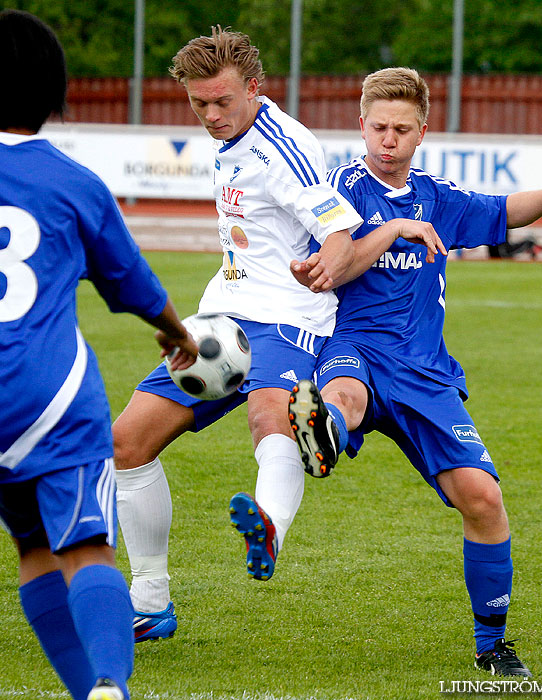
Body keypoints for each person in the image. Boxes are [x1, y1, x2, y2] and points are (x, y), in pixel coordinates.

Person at [287, 67, 542, 677]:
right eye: (378, 128)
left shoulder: (438, 195)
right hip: (355, 349)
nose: (388, 140)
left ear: (422, 131)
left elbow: (505, 212)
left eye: (401, 129)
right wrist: (394, 230)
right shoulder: (336, 193)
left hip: (426, 374)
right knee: (342, 396)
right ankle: (321, 432)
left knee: (483, 499)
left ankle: (493, 645)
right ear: (361, 126)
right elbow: (333, 267)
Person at [111, 25, 366, 642]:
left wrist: (328, 261)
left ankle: (269, 528)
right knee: (124, 446)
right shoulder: (231, 135)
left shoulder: (282, 144)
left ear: (255, 87)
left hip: (287, 315)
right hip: (220, 319)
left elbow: (337, 226)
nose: (211, 115)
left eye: (223, 101)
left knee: (269, 419)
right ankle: (149, 604)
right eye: (199, 104)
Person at [0, 10, 197, 700]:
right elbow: (133, 285)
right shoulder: (72, 182)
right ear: (56, 94)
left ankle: (89, 691)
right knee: (83, 550)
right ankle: (108, 684)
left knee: (31, 551)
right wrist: (177, 333)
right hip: (48, 393)